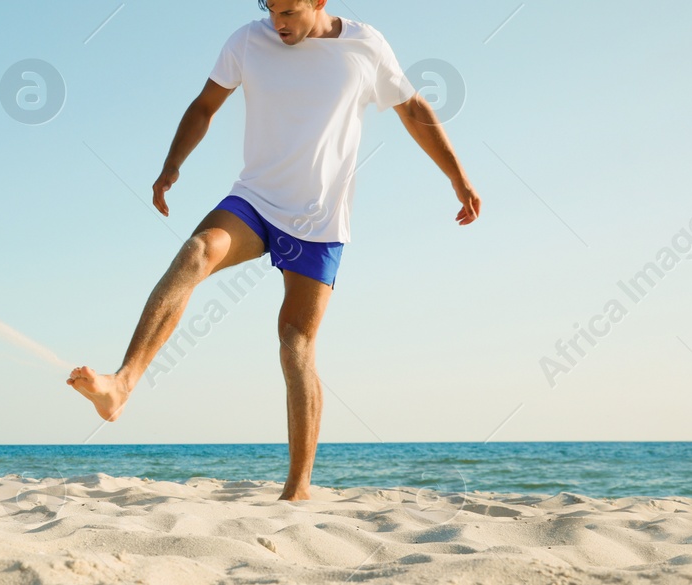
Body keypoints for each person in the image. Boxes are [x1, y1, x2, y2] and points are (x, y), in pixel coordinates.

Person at [68, 0, 482, 501]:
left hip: (320, 221)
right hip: (256, 200)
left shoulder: (365, 45)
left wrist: (458, 178)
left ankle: (297, 488)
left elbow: (413, 109)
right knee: (198, 250)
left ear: (319, 3)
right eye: (271, 10)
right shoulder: (247, 40)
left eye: (289, 11)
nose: (278, 23)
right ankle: (123, 383)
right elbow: (205, 105)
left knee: (295, 346)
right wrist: (171, 165)